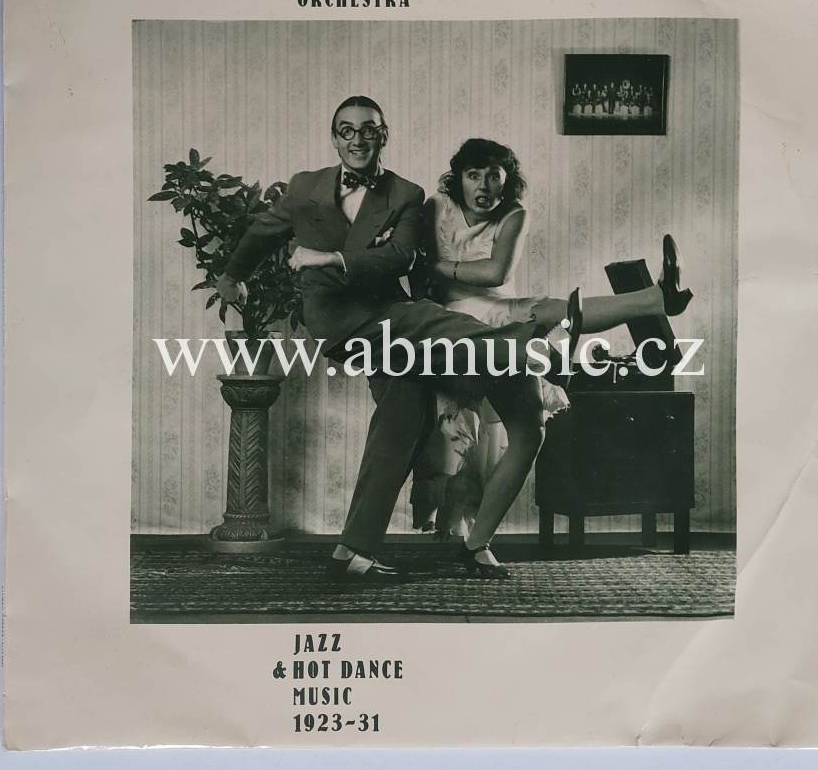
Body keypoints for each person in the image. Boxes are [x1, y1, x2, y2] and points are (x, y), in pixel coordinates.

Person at [216, 98, 690, 583]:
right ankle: (538, 345)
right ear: (334, 137)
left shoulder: (406, 194)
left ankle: (355, 552)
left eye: (369, 130)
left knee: (407, 421)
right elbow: (264, 231)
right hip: (360, 323)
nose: (357, 140)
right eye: (346, 130)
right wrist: (232, 276)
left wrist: (330, 257)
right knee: (456, 328)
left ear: (384, 135)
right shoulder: (307, 187)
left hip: (411, 322)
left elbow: (401, 258)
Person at [409, 138, 693, 576]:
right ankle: (642, 305)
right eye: (473, 175)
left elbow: (496, 273)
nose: (483, 185)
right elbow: (419, 271)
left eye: (493, 176)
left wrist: (439, 266)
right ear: (458, 179)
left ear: (507, 180)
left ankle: (477, 545)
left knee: (530, 431)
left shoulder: (514, 214)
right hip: (453, 326)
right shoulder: (437, 207)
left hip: (504, 320)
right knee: (460, 433)